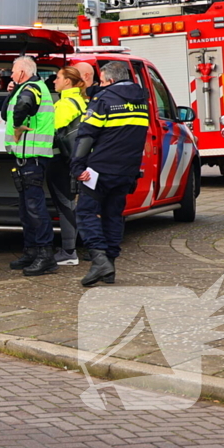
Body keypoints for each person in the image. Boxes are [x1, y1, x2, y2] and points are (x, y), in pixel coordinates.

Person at [72, 61, 150, 286]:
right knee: (114, 215)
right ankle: (110, 267)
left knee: (86, 213)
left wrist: (77, 166)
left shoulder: (103, 100)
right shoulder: (140, 101)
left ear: (111, 81)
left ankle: (99, 260)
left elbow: (86, 135)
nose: (102, 85)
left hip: (100, 170)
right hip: (127, 171)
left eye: (103, 81)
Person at [1, 55, 58, 276]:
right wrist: (12, 91)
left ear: (23, 73)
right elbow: (4, 113)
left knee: (35, 209)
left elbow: (23, 106)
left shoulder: (32, 87)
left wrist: (17, 126)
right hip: (25, 158)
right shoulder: (27, 87)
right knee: (27, 209)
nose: (11, 74)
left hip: (33, 158)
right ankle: (32, 251)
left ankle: (45, 256)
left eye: (13, 71)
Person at [48, 66, 88, 266]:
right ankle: (74, 249)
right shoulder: (80, 101)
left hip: (60, 161)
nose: (54, 81)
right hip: (73, 159)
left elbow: (51, 129)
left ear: (67, 82)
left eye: (57, 77)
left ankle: (69, 252)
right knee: (71, 204)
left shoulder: (65, 104)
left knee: (65, 205)